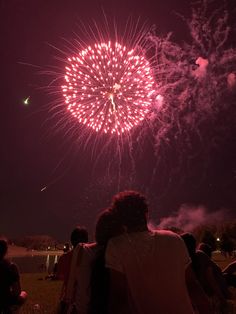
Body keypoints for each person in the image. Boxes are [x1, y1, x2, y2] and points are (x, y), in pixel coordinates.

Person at [105, 191, 212, 314]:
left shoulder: (116, 246)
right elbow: (192, 285)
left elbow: (119, 298)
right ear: (146, 213)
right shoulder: (174, 238)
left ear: (120, 218)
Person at [181, 233, 230, 313]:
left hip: (195, 299)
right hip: (209, 296)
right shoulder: (200, 255)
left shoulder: (181, 261)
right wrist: (222, 298)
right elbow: (211, 279)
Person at [57, 226, 88, 313]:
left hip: (69, 300)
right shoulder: (92, 258)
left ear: (71, 241)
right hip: (87, 301)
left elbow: (61, 276)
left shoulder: (64, 258)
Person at [0, 239, 27, 313]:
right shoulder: (11, 266)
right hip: (5, 301)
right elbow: (17, 291)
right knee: (24, 294)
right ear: (6, 251)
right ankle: (12, 309)